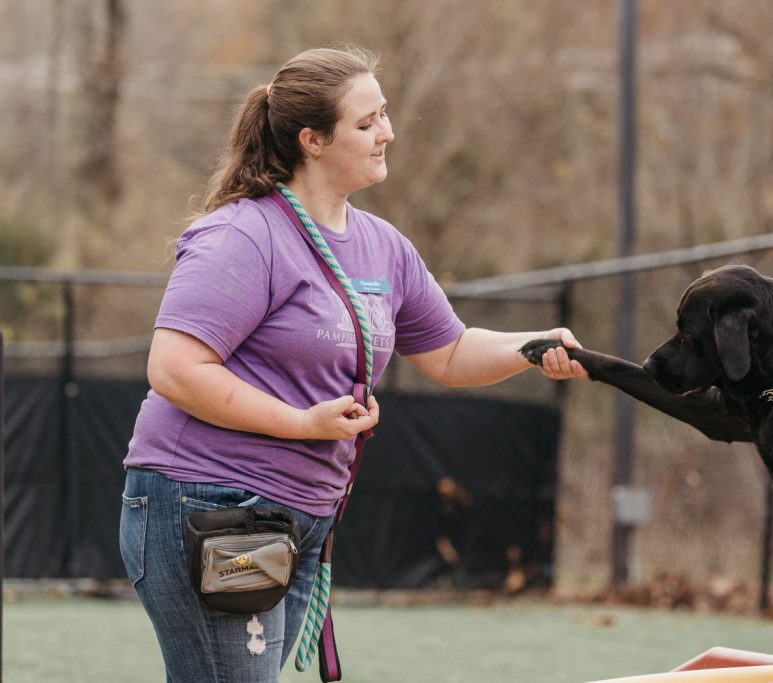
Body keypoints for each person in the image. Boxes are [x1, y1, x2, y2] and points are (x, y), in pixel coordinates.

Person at [119, 45, 586, 682]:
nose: (387, 132)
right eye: (365, 123)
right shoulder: (243, 235)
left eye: (384, 115)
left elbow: (448, 352)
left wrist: (534, 347)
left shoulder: (383, 246)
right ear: (312, 140)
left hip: (301, 517)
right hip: (206, 502)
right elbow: (174, 368)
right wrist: (302, 423)